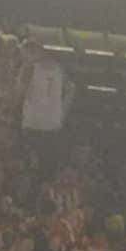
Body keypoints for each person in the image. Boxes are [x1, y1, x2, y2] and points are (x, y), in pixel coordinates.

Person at [19, 40, 73, 178]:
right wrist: (62, 113)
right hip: (53, 124)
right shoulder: (58, 68)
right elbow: (71, 88)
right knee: (50, 167)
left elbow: (19, 92)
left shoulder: (29, 67)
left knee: (31, 166)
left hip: (33, 123)